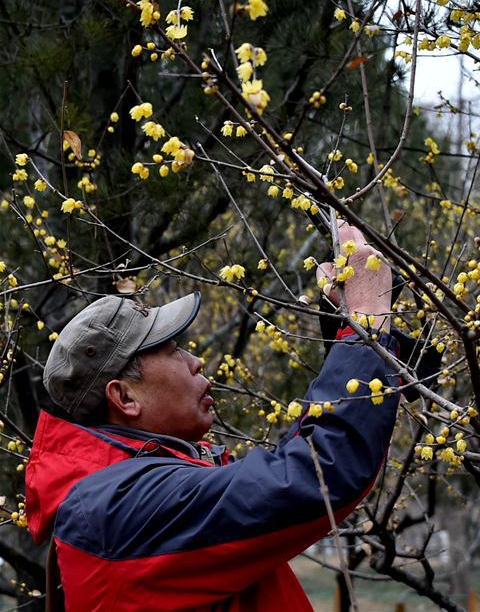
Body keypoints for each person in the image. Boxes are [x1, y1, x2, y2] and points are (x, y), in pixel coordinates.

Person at [25, 224, 400, 611]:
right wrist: (367, 319)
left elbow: (300, 465)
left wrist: (347, 332)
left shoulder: (127, 494)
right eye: (172, 351)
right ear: (124, 396)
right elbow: (317, 475)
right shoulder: (116, 507)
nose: (196, 361)